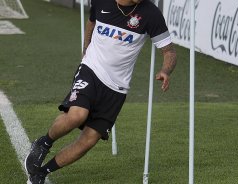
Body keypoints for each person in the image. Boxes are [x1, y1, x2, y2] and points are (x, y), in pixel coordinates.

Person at [25, 0, 177, 183]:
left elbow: (169, 51)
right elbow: (92, 22)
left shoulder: (151, 13)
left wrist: (165, 71)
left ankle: (42, 173)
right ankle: (44, 143)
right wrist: (85, 49)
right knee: (77, 115)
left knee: (89, 139)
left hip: (117, 88)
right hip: (91, 69)